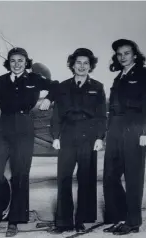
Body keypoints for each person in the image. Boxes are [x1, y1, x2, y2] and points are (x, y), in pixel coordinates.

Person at [0, 47, 58, 237]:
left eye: (20, 60)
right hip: (4, 127)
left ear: (26, 62)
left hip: (24, 126)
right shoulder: (2, 80)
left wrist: (49, 98)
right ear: (8, 63)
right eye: (13, 60)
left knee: (20, 174)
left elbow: (56, 86)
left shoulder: (34, 79)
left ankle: (14, 221)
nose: (16, 64)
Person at [48, 48, 107, 234]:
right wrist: (55, 137)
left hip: (88, 136)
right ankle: (63, 221)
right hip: (67, 134)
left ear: (90, 66)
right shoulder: (63, 87)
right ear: (72, 65)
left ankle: (82, 219)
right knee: (63, 178)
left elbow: (101, 116)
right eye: (78, 63)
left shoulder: (97, 87)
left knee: (86, 179)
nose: (82, 66)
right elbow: (56, 114)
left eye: (86, 63)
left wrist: (99, 137)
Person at [103, 39, 146, 235]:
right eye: (119, 54)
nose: (122, 57)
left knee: (133, 177)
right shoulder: (119, 77)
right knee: (110, 176)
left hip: (134, 127)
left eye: (126, 53)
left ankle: (133, 221)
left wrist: (144, 131)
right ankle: (119, 217)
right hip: (115, 129)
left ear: (135, 54)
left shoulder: (143, 73)